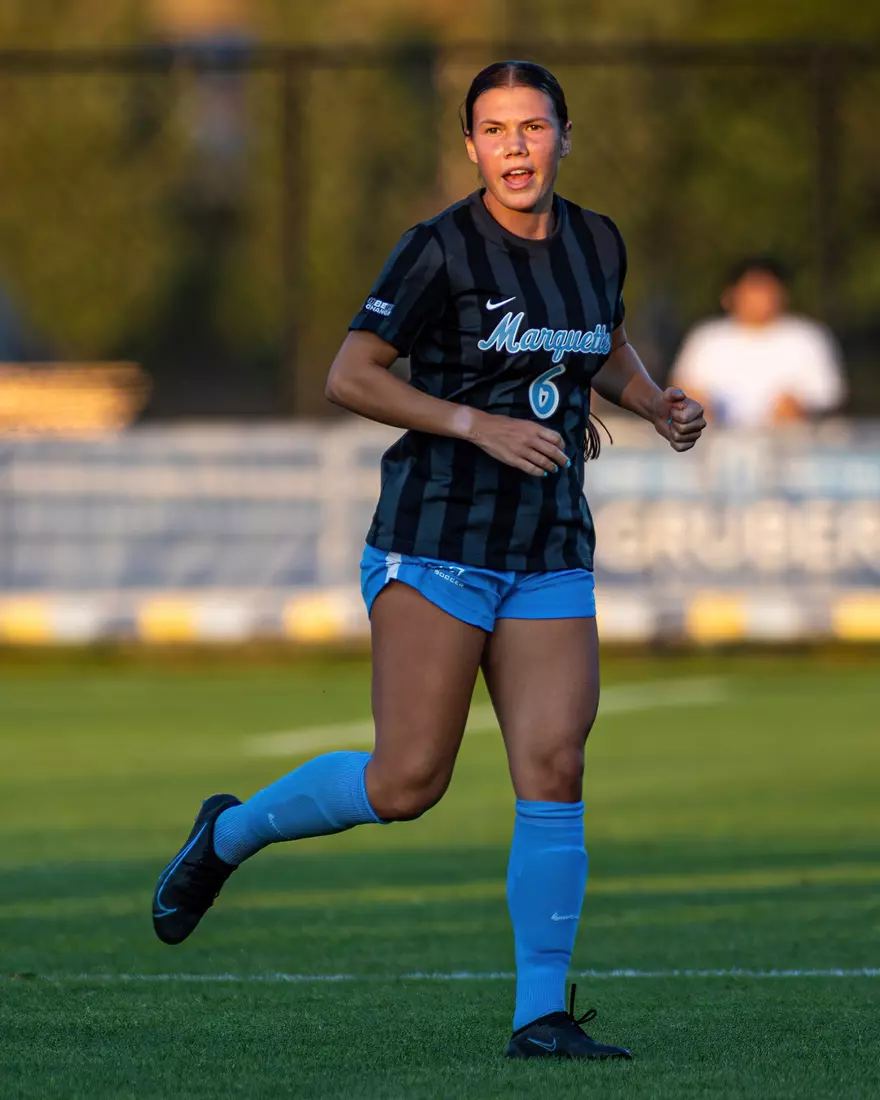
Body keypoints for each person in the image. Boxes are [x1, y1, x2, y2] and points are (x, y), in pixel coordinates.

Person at [152, 60, 706, 1061]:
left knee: (555, 761)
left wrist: (657, 401)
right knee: (408, 778)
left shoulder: (595, 239)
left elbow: (605, 347)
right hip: (436, 536)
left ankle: (538, 1016)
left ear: (562, 137)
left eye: (532, 127)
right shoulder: (438, 249)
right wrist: (476, 425)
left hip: (547, 542)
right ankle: (230, 833)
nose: (515, 147)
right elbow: (348, 374)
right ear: (470, 146)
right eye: (494, 130)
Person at [670, 256, 846, 427]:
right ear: (730, 295)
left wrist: (801, 409)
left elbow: (829, 400)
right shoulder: (706, 338)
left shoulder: (808, 338)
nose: (760, 299)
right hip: (715, 448)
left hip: (793, 447)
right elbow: (682, 390)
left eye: (767, 290)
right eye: (753, 289)